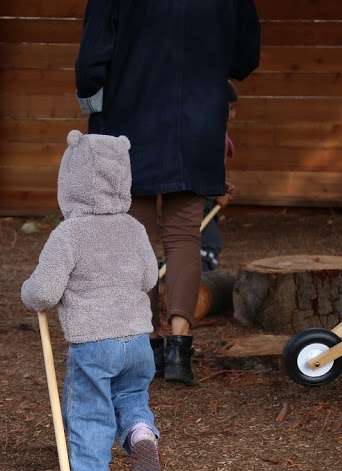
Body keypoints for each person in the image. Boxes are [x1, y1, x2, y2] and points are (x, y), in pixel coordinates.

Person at [75, 0, 260, 384]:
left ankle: (146, 344)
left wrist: (92, 92)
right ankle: (180, 348)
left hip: (131, 113)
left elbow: (92, 59)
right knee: (184, 235)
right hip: (199, 120)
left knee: (134, 237)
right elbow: (245, 57)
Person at [21, 131, 161, 471]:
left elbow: (45, 292)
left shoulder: (69, 234)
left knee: (89, 409)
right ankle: (139, 432)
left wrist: (29, 293)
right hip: (138, 340)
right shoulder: (134, 228)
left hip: (94, 343)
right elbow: (150, 278)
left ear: (71, 180)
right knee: (132, 396)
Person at [201, 81, 239, 272]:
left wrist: (222, 185)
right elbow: (203, 166)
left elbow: (216, 167)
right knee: (208, 243)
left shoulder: (219, 132)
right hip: (199, 197)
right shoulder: (209, 133)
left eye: (234, 109)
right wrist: (216, 190)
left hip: (208, 193)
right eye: (230, 109)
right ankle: (198, 279)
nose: (233, 115)